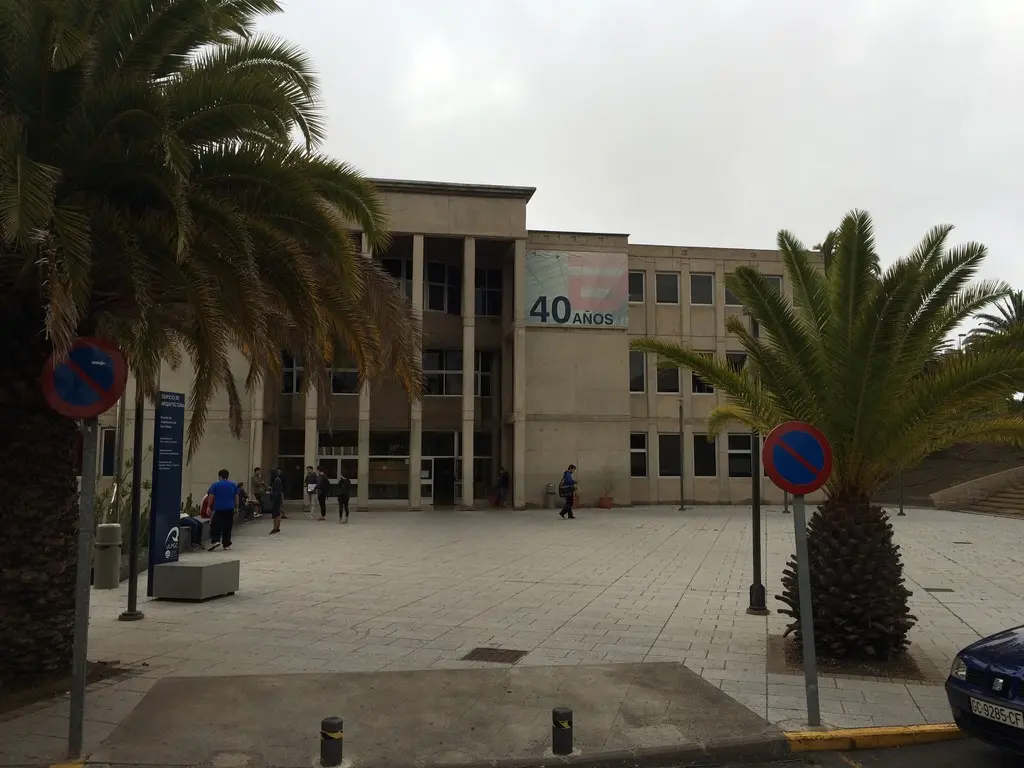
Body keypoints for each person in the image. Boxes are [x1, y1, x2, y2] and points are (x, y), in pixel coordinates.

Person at [205, 469, 239, 551]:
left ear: (220, 476)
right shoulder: (233, 485)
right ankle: (226, 544)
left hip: (219, 508)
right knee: (227, 527)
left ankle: (216, 540)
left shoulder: (215, 485)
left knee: (215, 525)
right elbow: (236, 496)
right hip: (230, 508)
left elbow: (211, 496)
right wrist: (236, 507)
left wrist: (208, 506)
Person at [269, 468, 284, 534]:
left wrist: (272, 495)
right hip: (277, 498)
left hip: (276, 499)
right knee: (277, 514)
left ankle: (275, 528)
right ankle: (277, 528)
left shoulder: (276, 480)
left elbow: (277, 491)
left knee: (275, 514)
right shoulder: (278, 480)